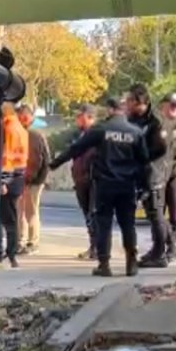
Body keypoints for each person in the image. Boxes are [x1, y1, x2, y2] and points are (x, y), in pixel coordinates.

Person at [49, 97, 149, 277]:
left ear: (110, 110)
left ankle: (104, 264)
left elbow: (76, 148)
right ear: (124, 110)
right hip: (127, 185)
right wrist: (145, 187)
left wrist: (54, 163)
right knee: (128, 224)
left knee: (104, 223)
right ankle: (131, 263)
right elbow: (144, 162)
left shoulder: (101, 129)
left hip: (105, 184)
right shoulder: (136, 132)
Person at [125, 84, 171, 268]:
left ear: (139, 102)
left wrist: (141, 155)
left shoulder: (156, 121)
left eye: (129, 100)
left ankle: (160, 253)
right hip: (137, 174)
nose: (126, 104)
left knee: (155, 214)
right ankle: (158, 249)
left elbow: (161, 148)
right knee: (152, 215)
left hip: (153, 174)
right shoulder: (133, 119)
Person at [0, 99, 29, 268]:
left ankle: (5, 254)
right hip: (18, 179)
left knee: (3, 220)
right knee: (11, 218)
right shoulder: (22, 130)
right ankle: (10, 253)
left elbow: (6, 157)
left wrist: (2, 181)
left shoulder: (8, 128)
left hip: (7, 180)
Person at [17, 105, 51, 255]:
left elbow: (41, 159)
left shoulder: (34, 134)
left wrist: (34, 179)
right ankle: (22, 240)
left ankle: (31, 242)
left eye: (23, 116)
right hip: (27, 178)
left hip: (32, 180)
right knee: (23, 211)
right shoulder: (30, 133)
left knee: (29, 211)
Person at [68, 105, 101, 260]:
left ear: (90, 117)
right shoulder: (78, 135)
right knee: (87, 215)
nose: (77, 119)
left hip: (94, 180)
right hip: (81, 180)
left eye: (80, 116)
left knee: (94, 214)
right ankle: (93, 246)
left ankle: (97, 248)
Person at [158, 93, 176, 260]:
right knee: (158, 213)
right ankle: (161, 246)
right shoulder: (157, 125)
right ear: (163, 105)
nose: (175, 108)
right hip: (160, 174)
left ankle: (173, 247)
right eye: (171, 104)